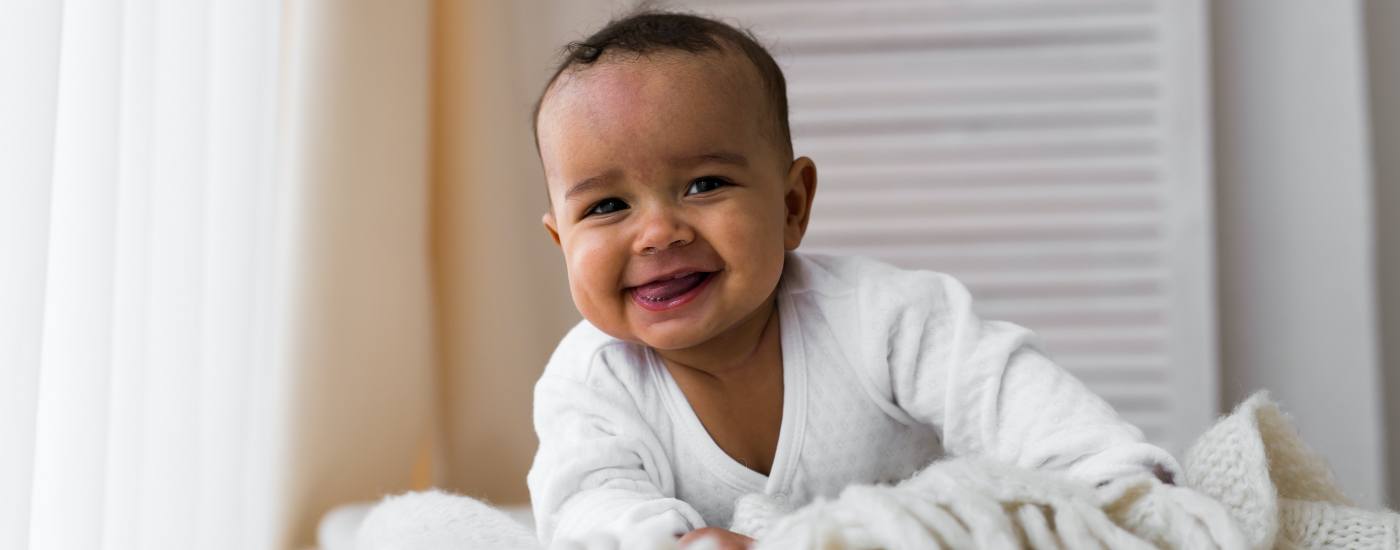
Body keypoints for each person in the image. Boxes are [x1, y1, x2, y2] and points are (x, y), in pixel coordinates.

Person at [526, 10, 1178, 549]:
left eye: (705, 184)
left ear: (791, 207)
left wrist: (1114, 486)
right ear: (561, 240)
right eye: (607, 205)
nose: (658, 232)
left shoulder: (886, 318)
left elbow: (1008, 394)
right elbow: (583, 505)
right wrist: (675, 542)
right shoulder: (592, 381)